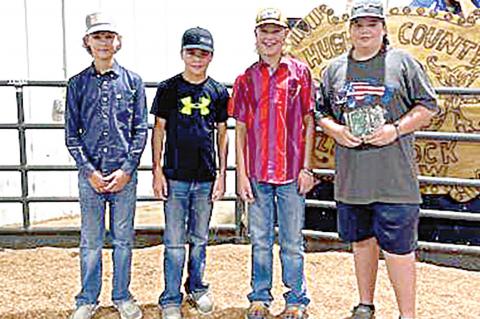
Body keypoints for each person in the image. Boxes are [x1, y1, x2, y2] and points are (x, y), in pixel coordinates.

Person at [316, 0, 439, 318]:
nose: (365, 30)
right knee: (361, 241)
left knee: (400, 249)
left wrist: (395, 130)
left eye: (372, 24)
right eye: (358, 24)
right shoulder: (334, 69)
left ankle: (406, 314)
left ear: (383, 28)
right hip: (352, 179)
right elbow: (320, 113)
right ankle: (365, 303)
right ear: (350, 30)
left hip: (394, 178)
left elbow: (427, 106)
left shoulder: (403, 63)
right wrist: (337, 131)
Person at [229, 7, 315, 319]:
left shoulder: (300, 73)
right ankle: (259, 297)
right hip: (258, 174)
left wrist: (307, 168)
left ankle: (296, 300)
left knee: (292, 242)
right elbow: (239, 129)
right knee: (260, 241)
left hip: (292, 172)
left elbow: (309, 121)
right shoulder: (246, 78)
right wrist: (241, 175)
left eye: (275, 31)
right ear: (256, 36)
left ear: (285, 34)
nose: (270, 37)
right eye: (264, 31)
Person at [65, 12, 147, 319]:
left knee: (124, 238)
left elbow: (140, 129)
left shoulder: (133, 82)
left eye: (109, 36)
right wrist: (89, 171)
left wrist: (127, 169)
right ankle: (87, 298)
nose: (103, 42)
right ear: (87, 42)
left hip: (124, 176)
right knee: (91, 240)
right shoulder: (77, 85)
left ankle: (122, 295)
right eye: (97, 37)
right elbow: (72, 135)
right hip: (92, 177)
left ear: (119, 42)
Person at [150, 27, 229, 319]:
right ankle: (170, 297)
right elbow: (159, 131)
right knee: (173, 241)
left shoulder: (218, 91)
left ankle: (197, 286)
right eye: (191, 52)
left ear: (211, 56)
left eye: (203, 53)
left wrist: (222, 174)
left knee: (199, 238)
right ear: (182, 53)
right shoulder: (168, 89)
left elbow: (222, 134)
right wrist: (157, 171)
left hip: (205, 177)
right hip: (175, 176)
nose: (197, 59)